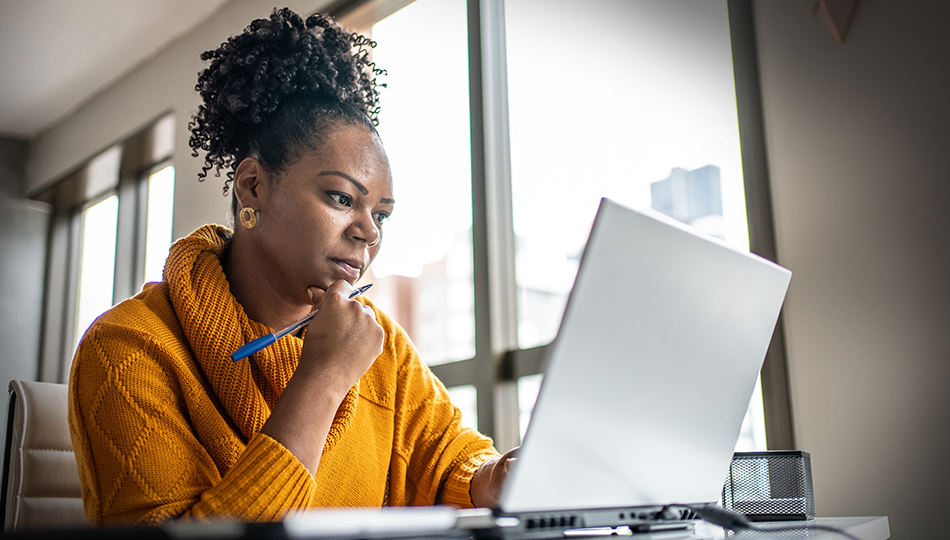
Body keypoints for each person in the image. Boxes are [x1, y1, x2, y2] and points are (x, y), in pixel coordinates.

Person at [68, 8, 515, 526]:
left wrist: (493, 475)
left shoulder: (382, 346)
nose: (369, 232)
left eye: (382, 215)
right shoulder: (127, 348)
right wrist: (323, 379)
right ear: (253, 186)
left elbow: (448, 458)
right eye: (341, 197)